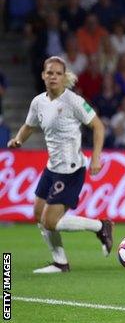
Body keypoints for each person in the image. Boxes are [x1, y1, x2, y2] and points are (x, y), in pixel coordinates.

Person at [7, 56, 113, 273]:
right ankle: (60, 262)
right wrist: (18, 140)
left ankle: (101, 226)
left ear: (64, 77)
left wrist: (95, 157)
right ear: (43, 76)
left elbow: (98, 126)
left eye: (57, 73)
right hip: (52, 168)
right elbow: (29, 125)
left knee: (51, 221)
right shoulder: (38, 102)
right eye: (49, 73)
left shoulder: (73, 101)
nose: (53, 76)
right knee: (38, 215)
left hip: (71, 170)